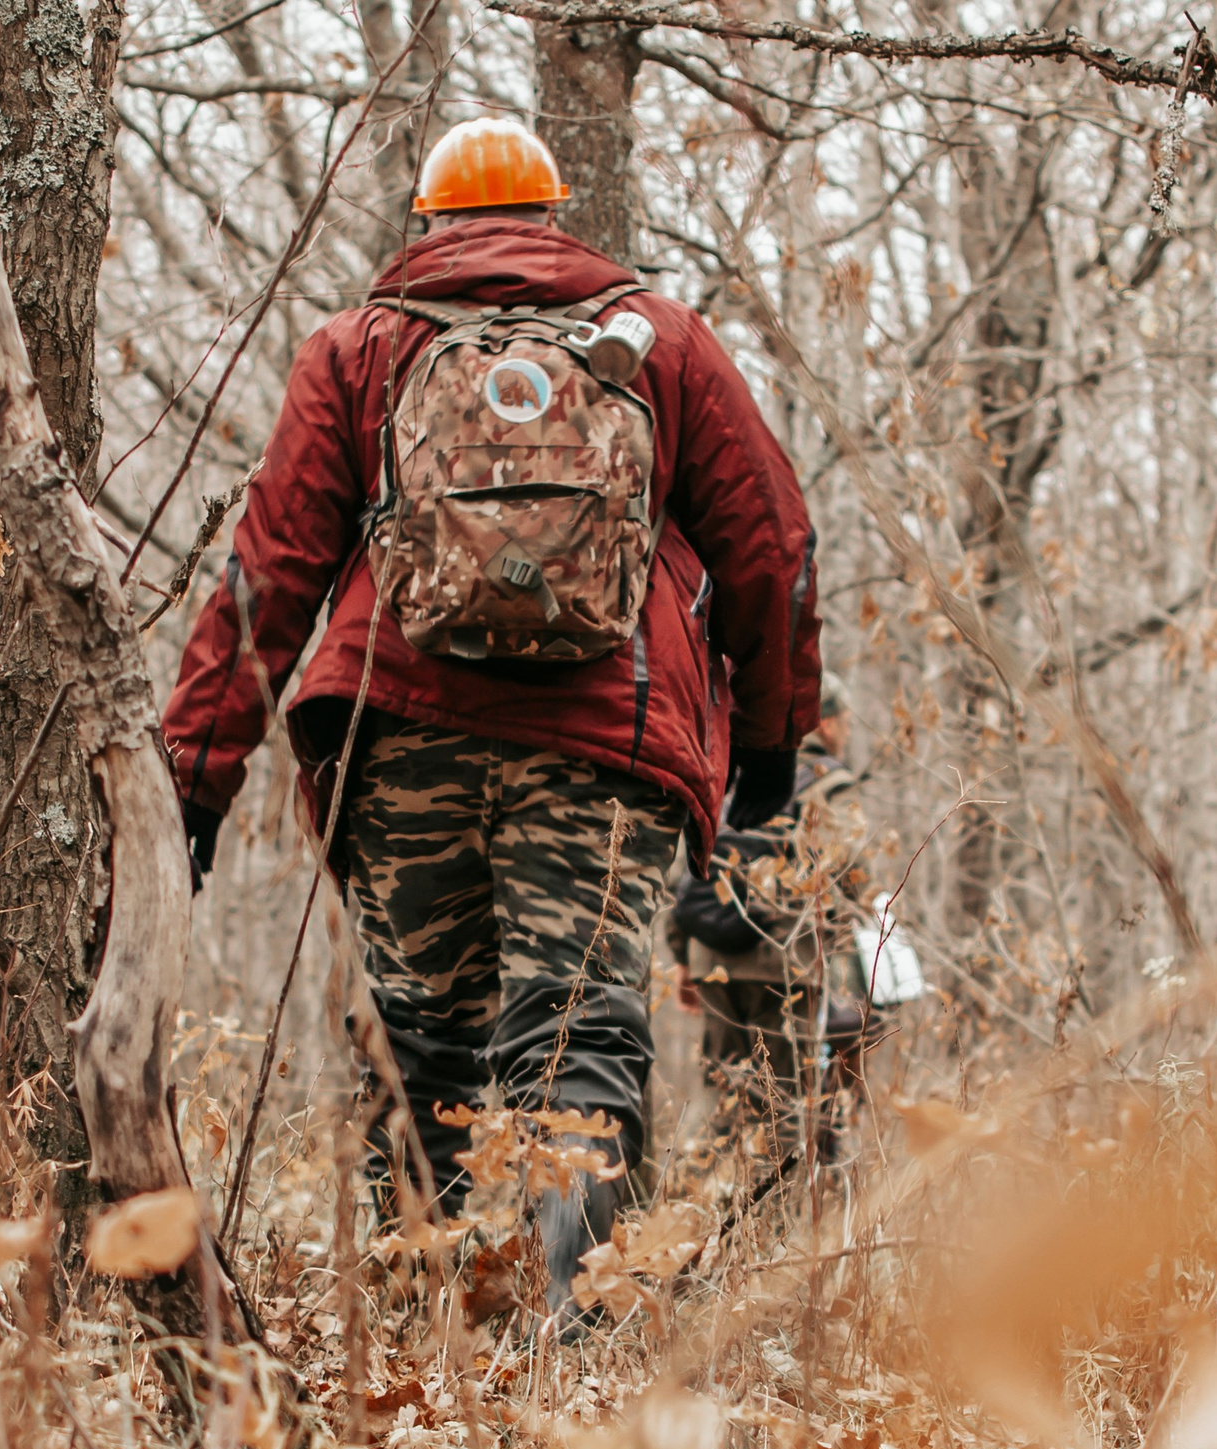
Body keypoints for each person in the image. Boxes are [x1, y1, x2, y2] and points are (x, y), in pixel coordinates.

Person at [162, 115, 820, 1321]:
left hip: (402, 741)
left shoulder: (359, 348)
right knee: (579, 1032)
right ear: (555, 214)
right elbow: (770, 546)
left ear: (427, 221)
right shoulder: (660, 339)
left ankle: (422, 1335)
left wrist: (195, 779)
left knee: (420, 1045)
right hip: (603, 748)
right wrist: (771, 753)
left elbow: (269, 574)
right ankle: (584, 1329)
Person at [667, 682, 870, 1174]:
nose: (846, 733)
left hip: (712, 959)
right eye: (845, 723)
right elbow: (852, 873)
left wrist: (682, 957)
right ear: (825, 722)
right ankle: (777, 1213)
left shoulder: (730, 770)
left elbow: (686, 870)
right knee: (784, 1102)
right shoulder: (829, 782)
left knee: (726, 1096)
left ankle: (702, 1199)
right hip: (785, 962)